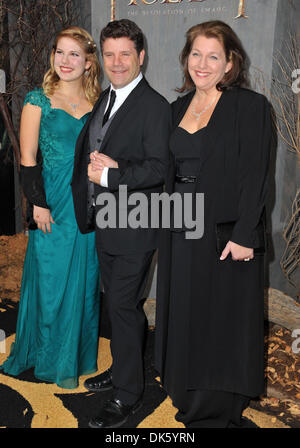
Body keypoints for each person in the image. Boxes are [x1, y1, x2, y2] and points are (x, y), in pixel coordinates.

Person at [155, 20, 271, 428]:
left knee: (219, 314)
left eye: (213, 56)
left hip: (223, 232)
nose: (202, 64)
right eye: (196, 54)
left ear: (229, 64)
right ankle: (185, 386)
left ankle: (216, 403)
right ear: (186, 59)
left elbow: (256, 176)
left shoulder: (250, 106)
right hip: (179, 227)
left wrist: (245, 236)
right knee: (185, 308)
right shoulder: (174, 109)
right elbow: (162, 171)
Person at [71, 19, 171, 428]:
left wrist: (111, 176)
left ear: (141, 56)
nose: (116, 62)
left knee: (124, 307)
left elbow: (159, 168)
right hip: (108, 222)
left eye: (124, 54)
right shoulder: (106, 97)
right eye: (109, 54)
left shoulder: (155, 106)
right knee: (117, 303)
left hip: (136, 224)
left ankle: (129, 394)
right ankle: (122, 368)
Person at [0, 27, 101, 389]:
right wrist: (37, 205)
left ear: (89, 62)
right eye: (60, 52)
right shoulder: (36, 99)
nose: (66, 60)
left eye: (75, 54)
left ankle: (77, 355)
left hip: (86, 205)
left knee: (85, 281)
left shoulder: (99, 104)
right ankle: (46, 354)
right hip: (51, 204)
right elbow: (27, 158)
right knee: (51, 280)